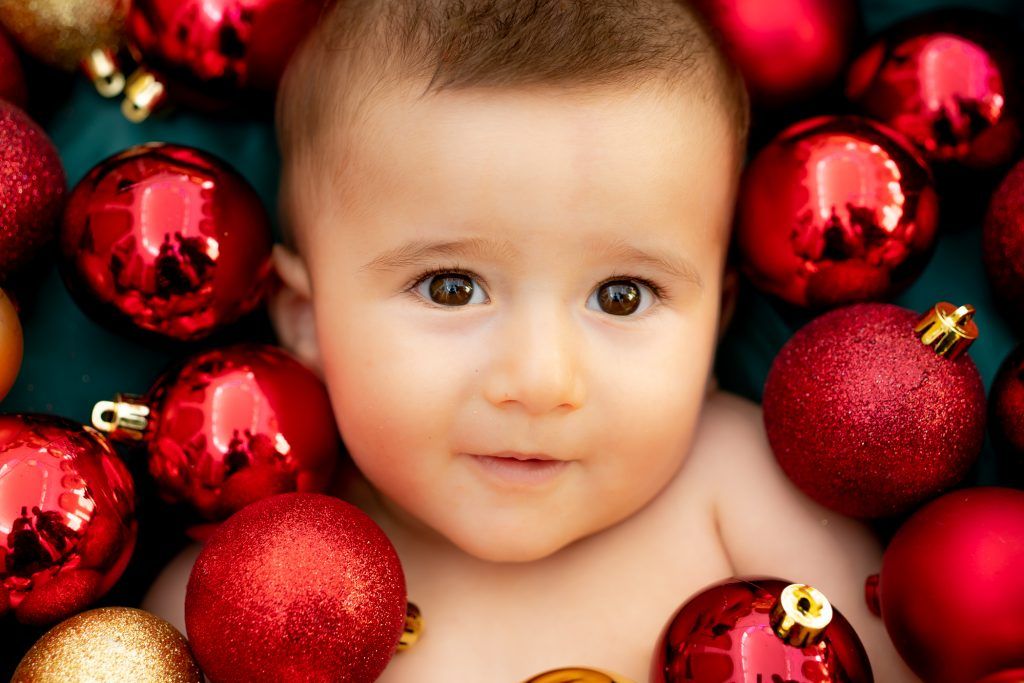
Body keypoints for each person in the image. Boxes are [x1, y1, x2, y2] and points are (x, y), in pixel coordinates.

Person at [144, 0, 918, 679]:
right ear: (307, 317)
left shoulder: (740, 487)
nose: (540, 378)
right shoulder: (245, 591)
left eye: (622, 296)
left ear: (716, 322)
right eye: (451, 287)